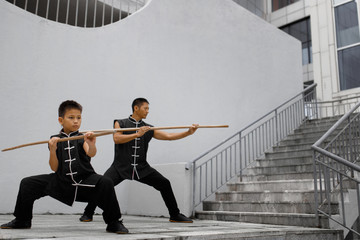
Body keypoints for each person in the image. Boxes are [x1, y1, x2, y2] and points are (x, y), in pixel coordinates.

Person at [0, 100, 129, 234]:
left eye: (79, 118)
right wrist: (52, 149)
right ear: (61, 120)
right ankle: (22, 220)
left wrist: (91, 143)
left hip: (84, 181)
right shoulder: (54, 139)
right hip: (62, 182)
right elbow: (54, 168)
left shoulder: (82, 137)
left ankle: (114, 222)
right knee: (27, 183)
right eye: (71, 117)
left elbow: (91, 153)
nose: (76, 121)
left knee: (106, 182)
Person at [80, 98, 198, 223]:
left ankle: (175, 214)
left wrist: (188, 132)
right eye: (145, 108)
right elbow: (117, 138)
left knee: (164, 183)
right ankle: (88, 213)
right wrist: (137, 134)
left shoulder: (148, 128)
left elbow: (169, 136)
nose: (148, 111)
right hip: (120, 167)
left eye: (148, 109)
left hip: (142, 168)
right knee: (102, 185)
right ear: (136, 108)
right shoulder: (120, 123)